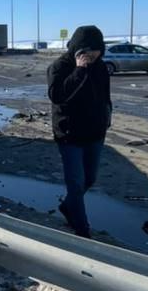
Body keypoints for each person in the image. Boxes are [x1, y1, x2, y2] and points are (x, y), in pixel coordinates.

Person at [47, 25, 111, 238]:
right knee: (75, 183)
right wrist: (79, 70)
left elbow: (104, 96)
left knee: (89, 179)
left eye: (97, 51)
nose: (94, 56)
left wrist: (107, 116)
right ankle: (82, 230)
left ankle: (67, 206)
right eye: (90, 52)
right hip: (70, 134)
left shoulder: (101, 67)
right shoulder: (60, 66)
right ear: (79, 49)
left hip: (95, 133)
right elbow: (58, 96)